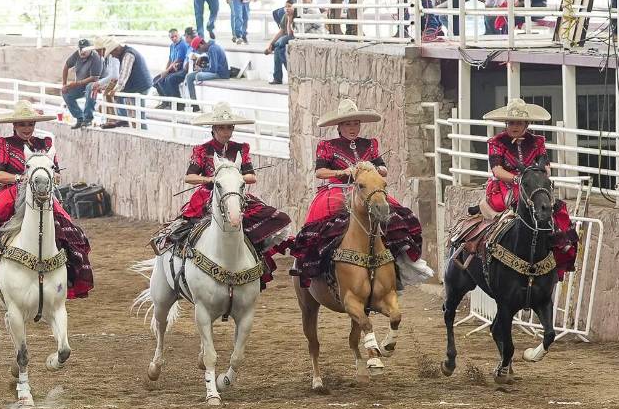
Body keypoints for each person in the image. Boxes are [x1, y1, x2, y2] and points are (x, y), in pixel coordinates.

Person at [0, 100, 93, 298]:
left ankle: (67, 271)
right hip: (11, 191)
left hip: (40, 192)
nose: (27, 128)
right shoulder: (3, 144)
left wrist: (49, 178)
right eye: (22, 124)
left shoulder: (45, 144)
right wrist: (23, 178)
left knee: (65, 226)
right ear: (14, 125)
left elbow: (56, 174)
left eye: (30, 124)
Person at [277, 100, 433, 288]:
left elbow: (382, 168)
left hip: (366, 189)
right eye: (347, 124)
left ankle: (401, 262)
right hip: (338, 190)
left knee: (396, 214)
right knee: (325, 223)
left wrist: (374, 169)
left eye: (356, 123)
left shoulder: (369, 144)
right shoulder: (328, 146)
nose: (352, 128)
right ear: (339, 126)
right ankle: (314, 264)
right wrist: (342, 172)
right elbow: (320, 173)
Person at [168, 104, 292, 285]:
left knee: (278, 218)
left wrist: (232, 178)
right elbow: (190, 176)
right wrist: (211, 180)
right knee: (187, 229)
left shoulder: (241, 148)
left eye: (229, 127)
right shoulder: (202, 150)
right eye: (222, 127)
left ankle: (256, 252)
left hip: (235, 193)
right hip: (210, 194)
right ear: (214, 129)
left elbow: (251, 176)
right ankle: (186, 258)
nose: (227, 131)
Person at [456, 98, 579, 278]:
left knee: (555, 208)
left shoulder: (537, 141)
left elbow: (545, 166)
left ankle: (560, 247)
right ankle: (488, 246)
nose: (514, 126)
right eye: (511, 122)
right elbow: (497, 170)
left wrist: (539, 176)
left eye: (519, 122)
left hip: (534, 184)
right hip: (505, 186)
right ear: (506, 123)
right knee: (506, 206)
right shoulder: (496, 142)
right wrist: (518, 179)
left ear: (526, 124)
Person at [100, 37, 151, 129]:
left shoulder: (128, 55)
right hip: (134, 87)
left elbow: (124, 74)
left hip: (140, 87)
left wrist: (116, 89)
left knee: (138, 115)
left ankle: (142, 132)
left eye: (112, 53)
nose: (112, 56)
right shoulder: (125, 53)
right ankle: (134, 129)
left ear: (116, 49)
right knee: (134, 115)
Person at [60, 38, 104, 128]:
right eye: (80, 49)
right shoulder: (77, 54)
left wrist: (76, 83)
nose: (81, 51)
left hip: (95, 84)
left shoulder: (96, 57)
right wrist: (64, 84)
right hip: (80, 85)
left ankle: (88, 119)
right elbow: (66, 66)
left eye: (84, 49)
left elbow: (94, 78)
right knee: (66, 92)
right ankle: (80, 118)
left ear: (90, 49)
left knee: (90, 87)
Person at [184, 36, 229, 112]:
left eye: (198, 50)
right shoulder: (209, 48)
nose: (199, 53)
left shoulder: (212, 49)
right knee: (189, 77)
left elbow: (213, 69)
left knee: (199, 75)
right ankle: (194, 104)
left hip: (220, 73)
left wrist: (201, 69)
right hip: (215, 71)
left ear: (201, 45)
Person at [153, 28, 191, 107]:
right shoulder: (172, 46)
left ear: (179, 35)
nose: (174, 38)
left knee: (167, 79)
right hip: (172, 69)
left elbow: (177, 60)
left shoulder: (182, 45)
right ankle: (166, 101)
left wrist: (166, 71)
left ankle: (178, 103)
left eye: (175, 36)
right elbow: (170, 59)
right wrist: (165, 70)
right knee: (156, 80)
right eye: (172, 37)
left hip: (180, 69)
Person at [266, 0, 296, 85]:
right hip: (286, 37)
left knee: (281, 42)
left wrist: (290, 19)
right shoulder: (285, 15)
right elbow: (281, 31)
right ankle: (277, 78)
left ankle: (274, 46)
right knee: (278, 50)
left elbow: (290, 34)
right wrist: (270, 43)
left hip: (294, 36)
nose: (287, 8)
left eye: (289, 6)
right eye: (285, 7)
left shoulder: (296, 15)